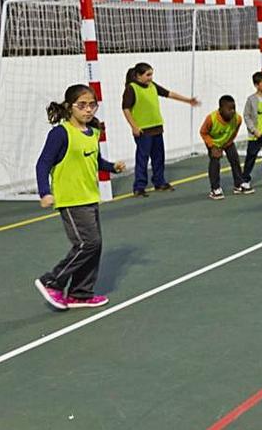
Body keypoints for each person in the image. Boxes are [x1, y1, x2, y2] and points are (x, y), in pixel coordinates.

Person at [34, 85, 125, 310]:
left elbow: (95, 161)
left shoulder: (93, 132)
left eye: (92, 105)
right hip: (71, 199)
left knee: (96, 245)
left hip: (89, 197)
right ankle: (52, 281)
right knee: (87, 243)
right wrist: (45, 191)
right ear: (69, 107)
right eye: (82, 105)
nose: (88, 110)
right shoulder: (60, 133)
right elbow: (43, 163)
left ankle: (80, 294)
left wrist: (112, 167)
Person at [121, 62, 199, 197]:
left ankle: (159, 182)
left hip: (157, 128)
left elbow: (169, 93)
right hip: (143, 130)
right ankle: (139, 187)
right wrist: (134, 126)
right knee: (142, 159)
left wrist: (188, 100)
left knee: (159, 157)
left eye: (151, 74)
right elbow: (126, 109)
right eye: (148, 75)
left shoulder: (152, 86)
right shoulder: (131, 88)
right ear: (138, 76)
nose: (151, 77)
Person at [200, 95, 254, 200]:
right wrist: (212, 147)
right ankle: (215, 189)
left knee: (235, 159)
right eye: (229, 109)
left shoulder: (237, 119)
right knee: (215, 161)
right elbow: (203, 132)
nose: (232, 111)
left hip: (227, 141)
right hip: (213, 142)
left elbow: (234, 132)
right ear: (220, 109)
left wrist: (227, 143)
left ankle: (238, 184)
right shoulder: (211, 118)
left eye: (234, 108)